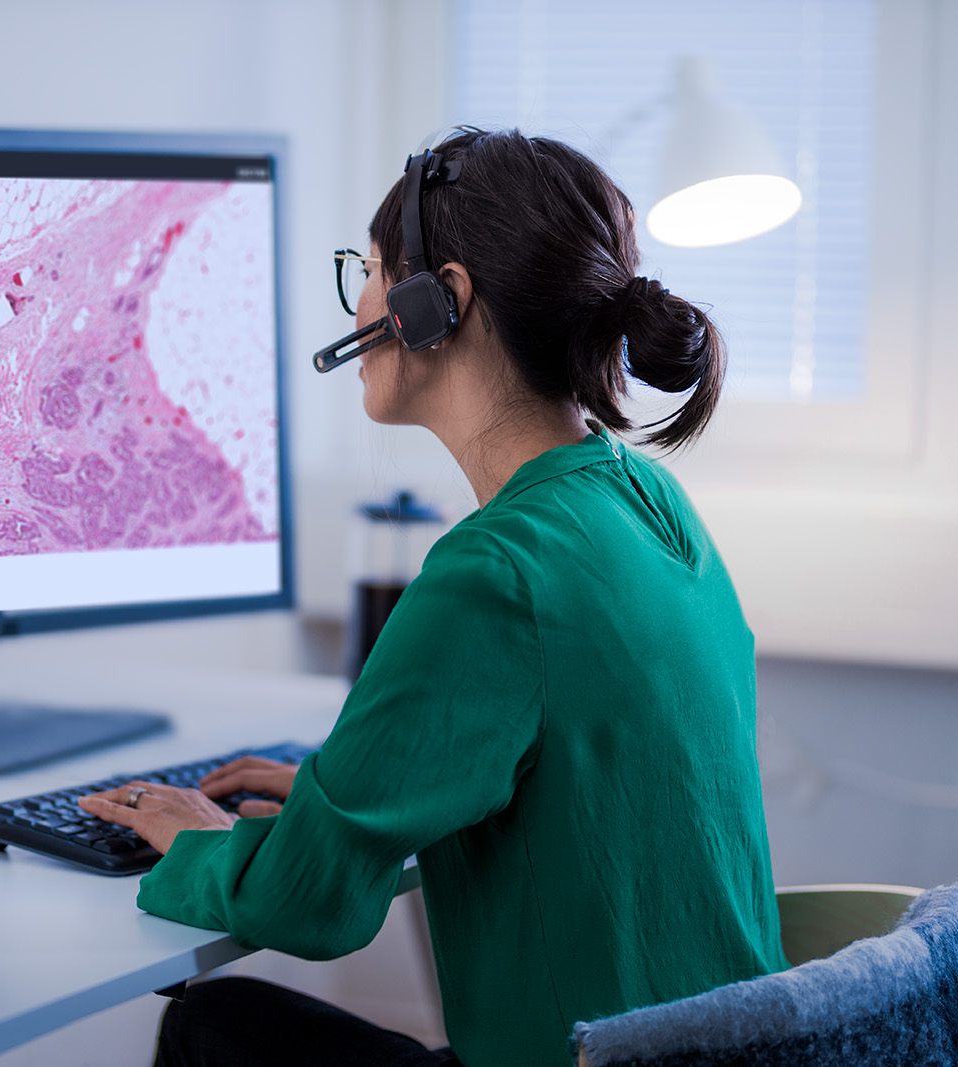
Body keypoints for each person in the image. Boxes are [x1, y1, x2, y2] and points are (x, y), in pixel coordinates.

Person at [78, 129, 789, 1067]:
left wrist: (200, 840)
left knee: (212, 1027)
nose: (361, 301)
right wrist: (350, 797)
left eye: (371, 271)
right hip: (728, 1055)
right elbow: (595, 772)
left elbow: (304, 904)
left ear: (434, 303)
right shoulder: (648, 499)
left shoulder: (494, 573)